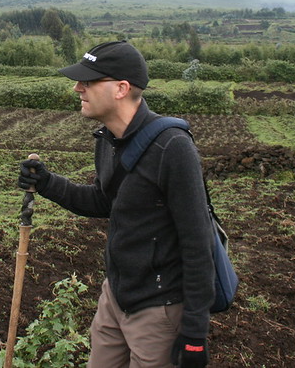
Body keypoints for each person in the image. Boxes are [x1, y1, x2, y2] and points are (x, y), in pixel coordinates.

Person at [18, 40, 214, 368]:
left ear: (121, 88)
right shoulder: (107, 140)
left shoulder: (173, 149)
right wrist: (47, 183)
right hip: (115, 298)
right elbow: (104, 201)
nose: (78, 88)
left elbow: (198, 243)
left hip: (158, 309)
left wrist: (194, 332)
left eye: (89, 81)